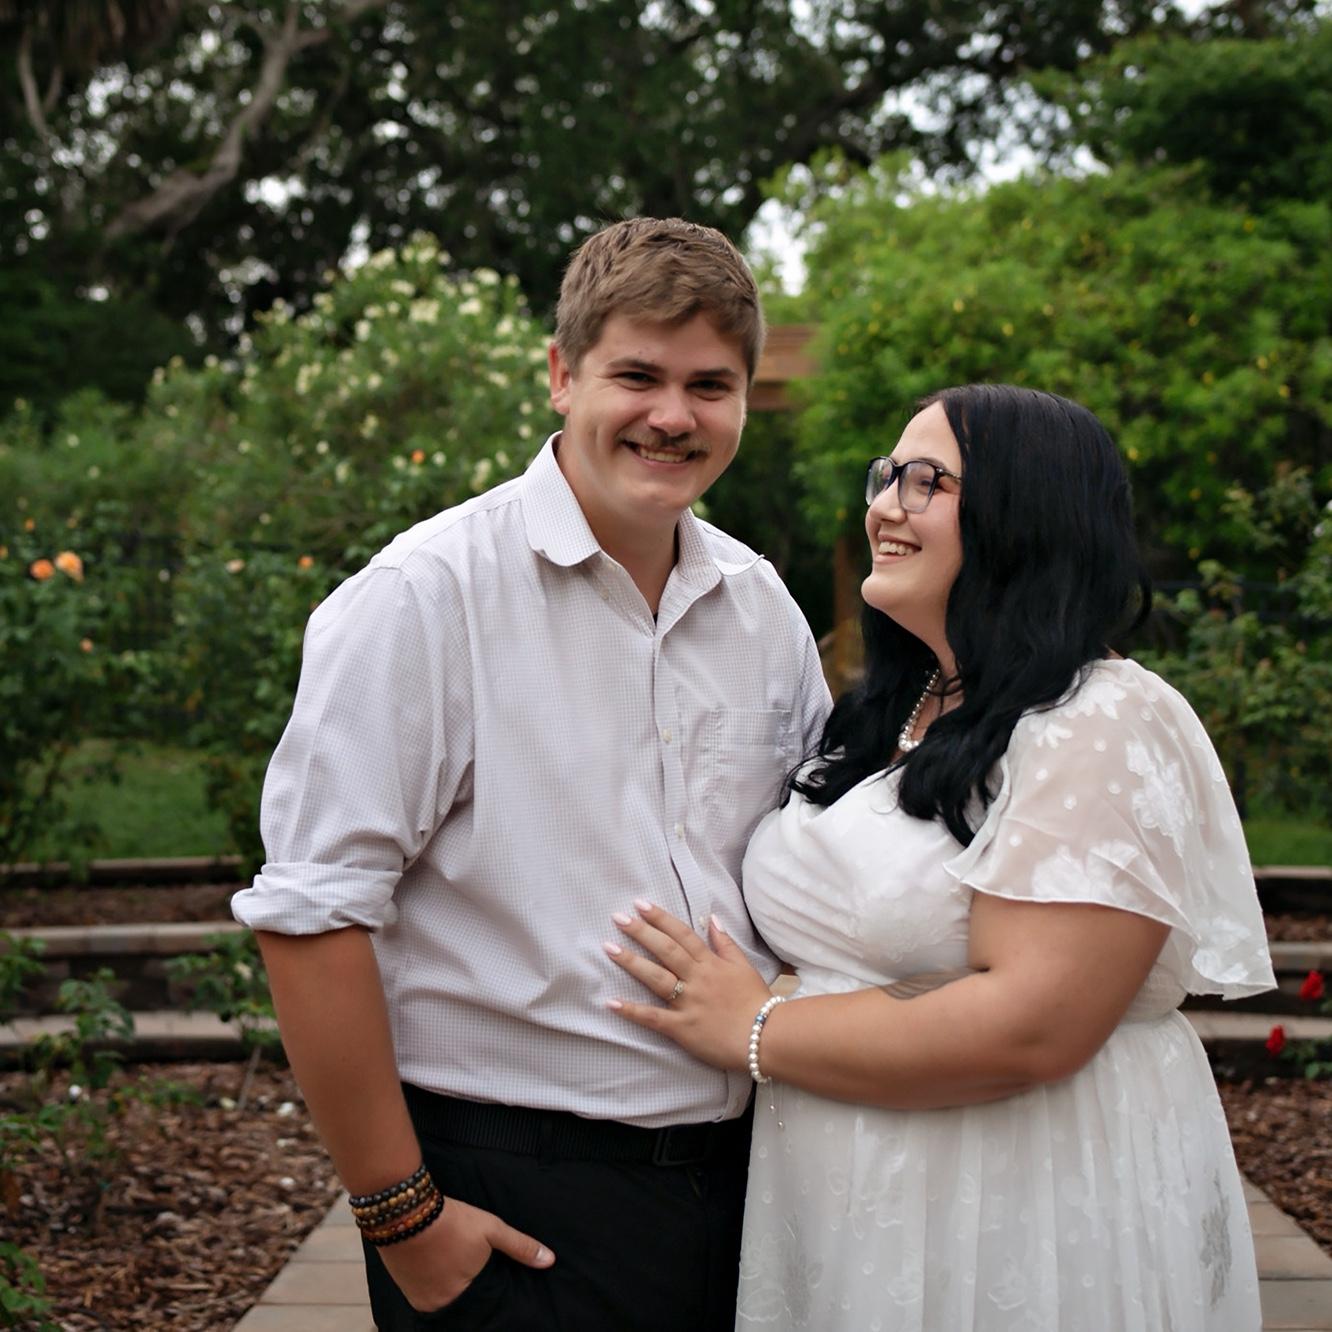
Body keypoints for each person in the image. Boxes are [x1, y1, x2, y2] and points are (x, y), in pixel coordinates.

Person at [231, 216, 831, 1330]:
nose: (673, 415)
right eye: (637, 376)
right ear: (561, 375)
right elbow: (312, 913)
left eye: (709, 385)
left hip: (752, 1187)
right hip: (516, 1200)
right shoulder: (426, 596)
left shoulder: (763, 611)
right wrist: (403, 1220)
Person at [605, 383, 1276, 1331]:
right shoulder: (903, 707)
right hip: (853, 1197)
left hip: (1013, 1196)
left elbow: (1033, 1024)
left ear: (1025, 512)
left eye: (927, 481)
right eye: (886, 477)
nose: (885, 505)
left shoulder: (1100, 719)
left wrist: (756, 1028)